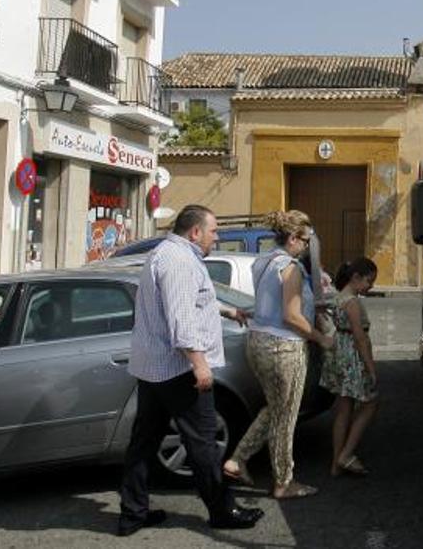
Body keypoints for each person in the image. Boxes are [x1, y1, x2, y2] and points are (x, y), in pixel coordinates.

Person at [118, 205, 262, 536]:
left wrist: (226, 311)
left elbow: (189, 302)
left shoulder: (166, 253)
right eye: (214, 231)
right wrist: (199, 365)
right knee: (203, 442)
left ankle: (133, 513)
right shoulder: (180, 261)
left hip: (154, 367)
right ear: (195, 232)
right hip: (177, 368)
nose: (218, 237)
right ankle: (222, 510)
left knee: (143, 442)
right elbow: (181, 320)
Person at [222, 210, 334, 499]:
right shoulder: (291, 268)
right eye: (306, 240)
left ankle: (237, 460)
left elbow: (271, 304)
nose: (308, 246)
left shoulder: (263, 261)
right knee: (286, 417)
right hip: (284, 347)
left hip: (258, 340)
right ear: (294, 238)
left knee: (274, 408)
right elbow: (292, 317)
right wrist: (321, 337)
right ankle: (284, 481)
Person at [320, 257, 380, 477]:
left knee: (343, 408)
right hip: (352, 356)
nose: (371, 286)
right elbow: (360, 338)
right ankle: (346, 454)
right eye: (369, 280)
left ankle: (336, 462)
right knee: (370, 403)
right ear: (355, 277)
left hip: (339, 352)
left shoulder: (338, 297)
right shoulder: (352, 302)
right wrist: (371, 368)